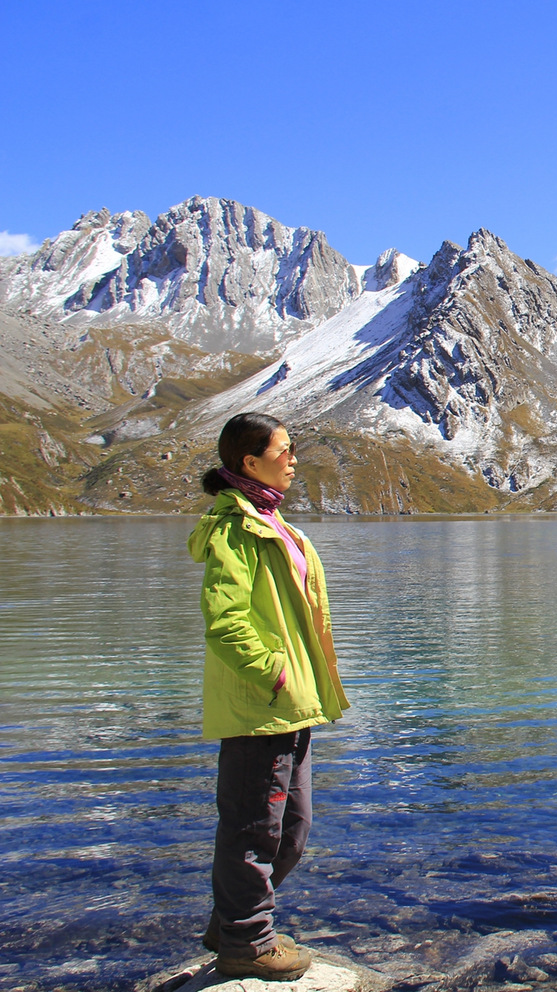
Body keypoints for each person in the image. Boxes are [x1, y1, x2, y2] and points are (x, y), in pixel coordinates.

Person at [187, 412, 350, 981]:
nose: (294, 460)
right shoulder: (236, 528)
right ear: (250, 462)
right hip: (263, 704)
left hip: (289, 702)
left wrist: (295, 683)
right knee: (255, 828)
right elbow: (225, 618)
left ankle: (231, 924)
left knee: (292, 829)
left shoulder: (269, 519)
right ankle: (247, 941)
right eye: (284, 451)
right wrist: (274, 674)